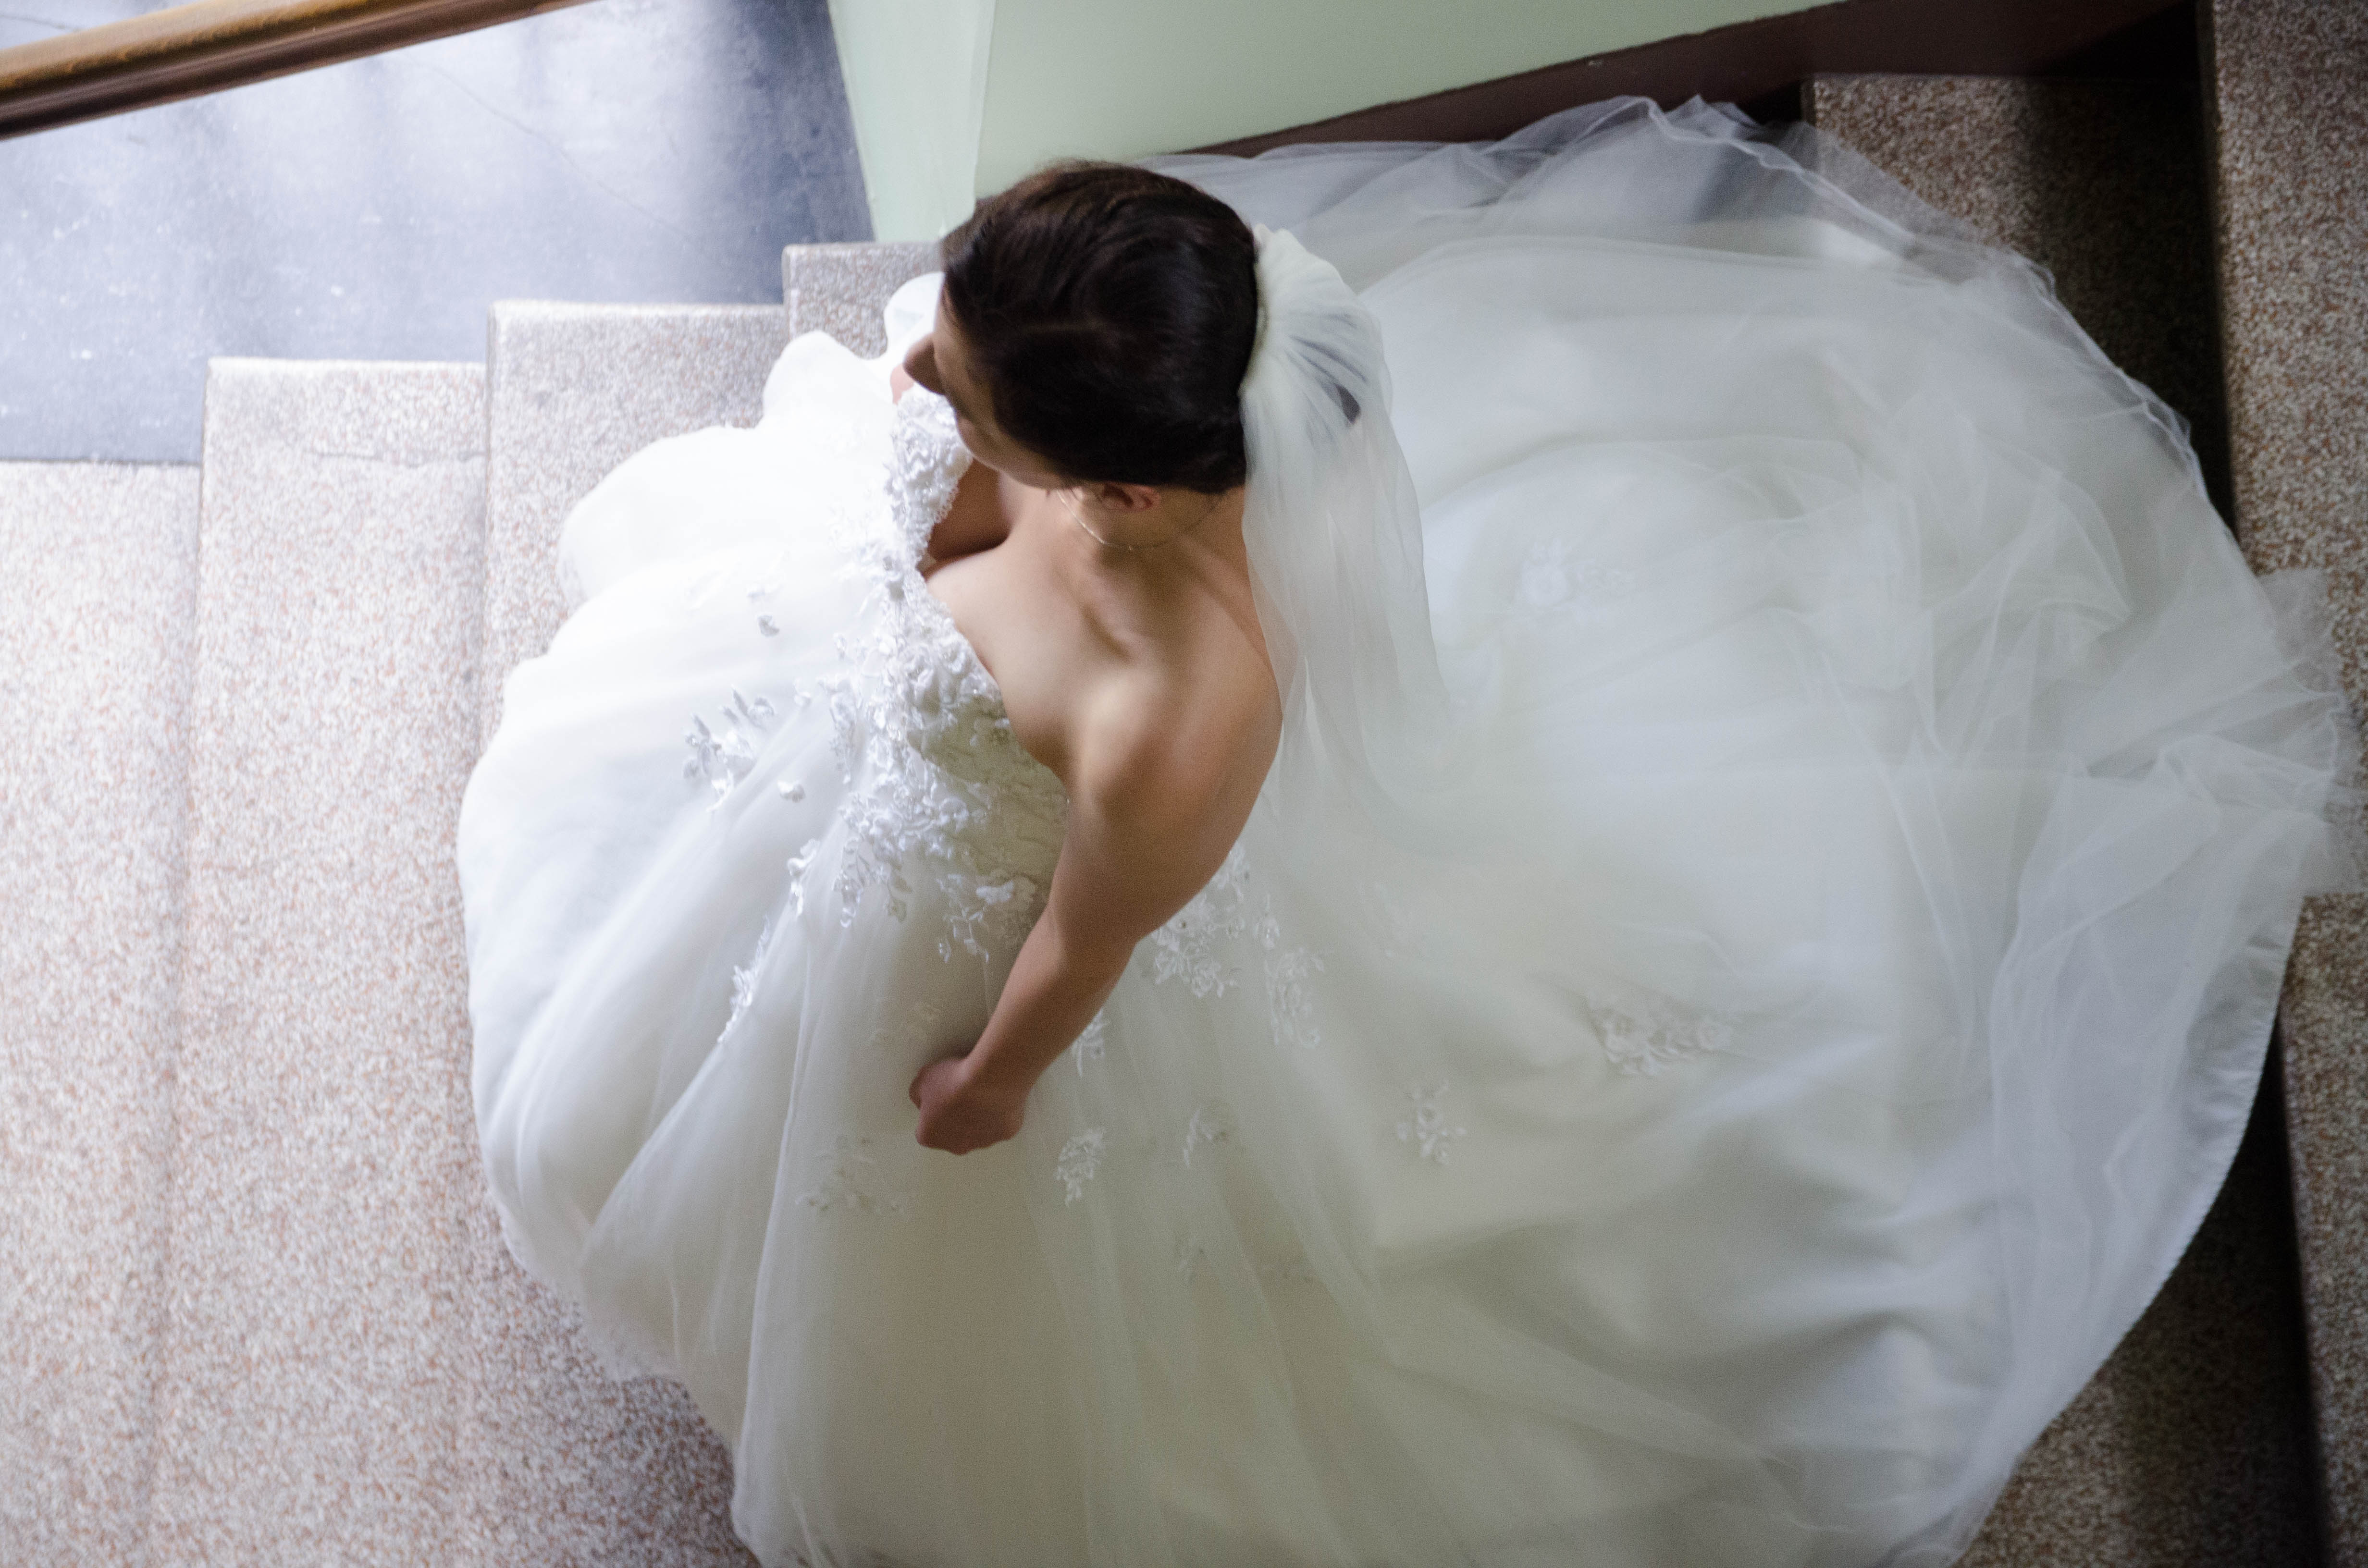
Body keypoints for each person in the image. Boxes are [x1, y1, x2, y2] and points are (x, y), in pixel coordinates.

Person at [456, 97, 2364, 1567]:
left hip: (1009, 916)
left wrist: (990, 1081)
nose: (911, 380)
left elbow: (1084, 946)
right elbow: (943, 455)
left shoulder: (1169, 724)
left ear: (1119, 495)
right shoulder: (1097, 324)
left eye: (961, 386)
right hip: (859, 726)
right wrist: (948, 482)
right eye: (948, 334)